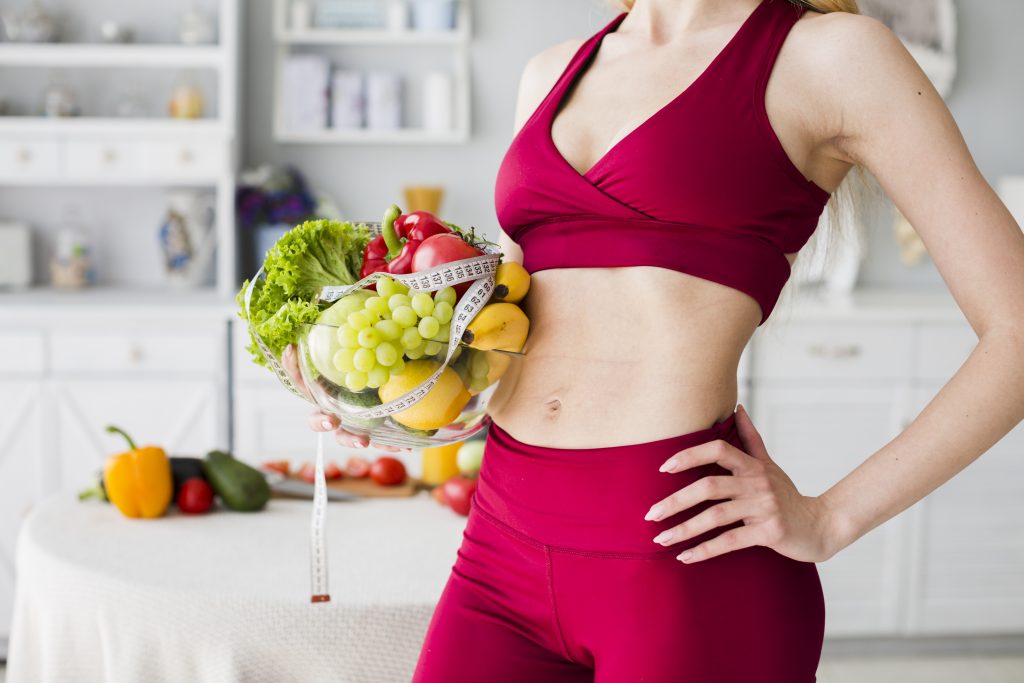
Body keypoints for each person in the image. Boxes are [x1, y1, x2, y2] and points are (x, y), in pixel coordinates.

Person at [287, 0, 1024, 680]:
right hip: (499, 541)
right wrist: (399, 396)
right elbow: (511, 325)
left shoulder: (832, 58)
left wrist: (832, 516)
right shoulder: (552, 70)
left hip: (686, 564)